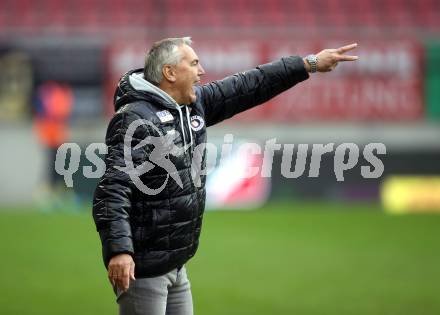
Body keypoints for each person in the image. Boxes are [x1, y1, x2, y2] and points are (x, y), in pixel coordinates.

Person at [92, 37, 358, 315]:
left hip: (176, 264)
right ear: (170, 73)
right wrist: (119, 250)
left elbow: (249, 85)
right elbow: (113, 190)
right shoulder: (134, 119)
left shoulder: (191, 106)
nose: (202, 71)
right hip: (144, 270)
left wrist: (308, 64)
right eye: (194, 63)